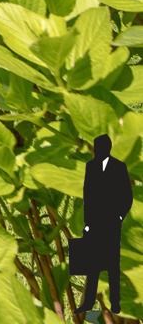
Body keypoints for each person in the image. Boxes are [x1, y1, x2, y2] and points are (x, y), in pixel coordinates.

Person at [76, 134, 133, 321]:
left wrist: (119, 217)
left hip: (112, 222)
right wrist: (87, 223)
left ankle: (115, 302)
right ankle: (88, 302)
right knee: (93, 265)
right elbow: (88, 195)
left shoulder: (119, 166)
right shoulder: (90, 167)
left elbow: (127, 196)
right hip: (95, 222)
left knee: (113, 264)